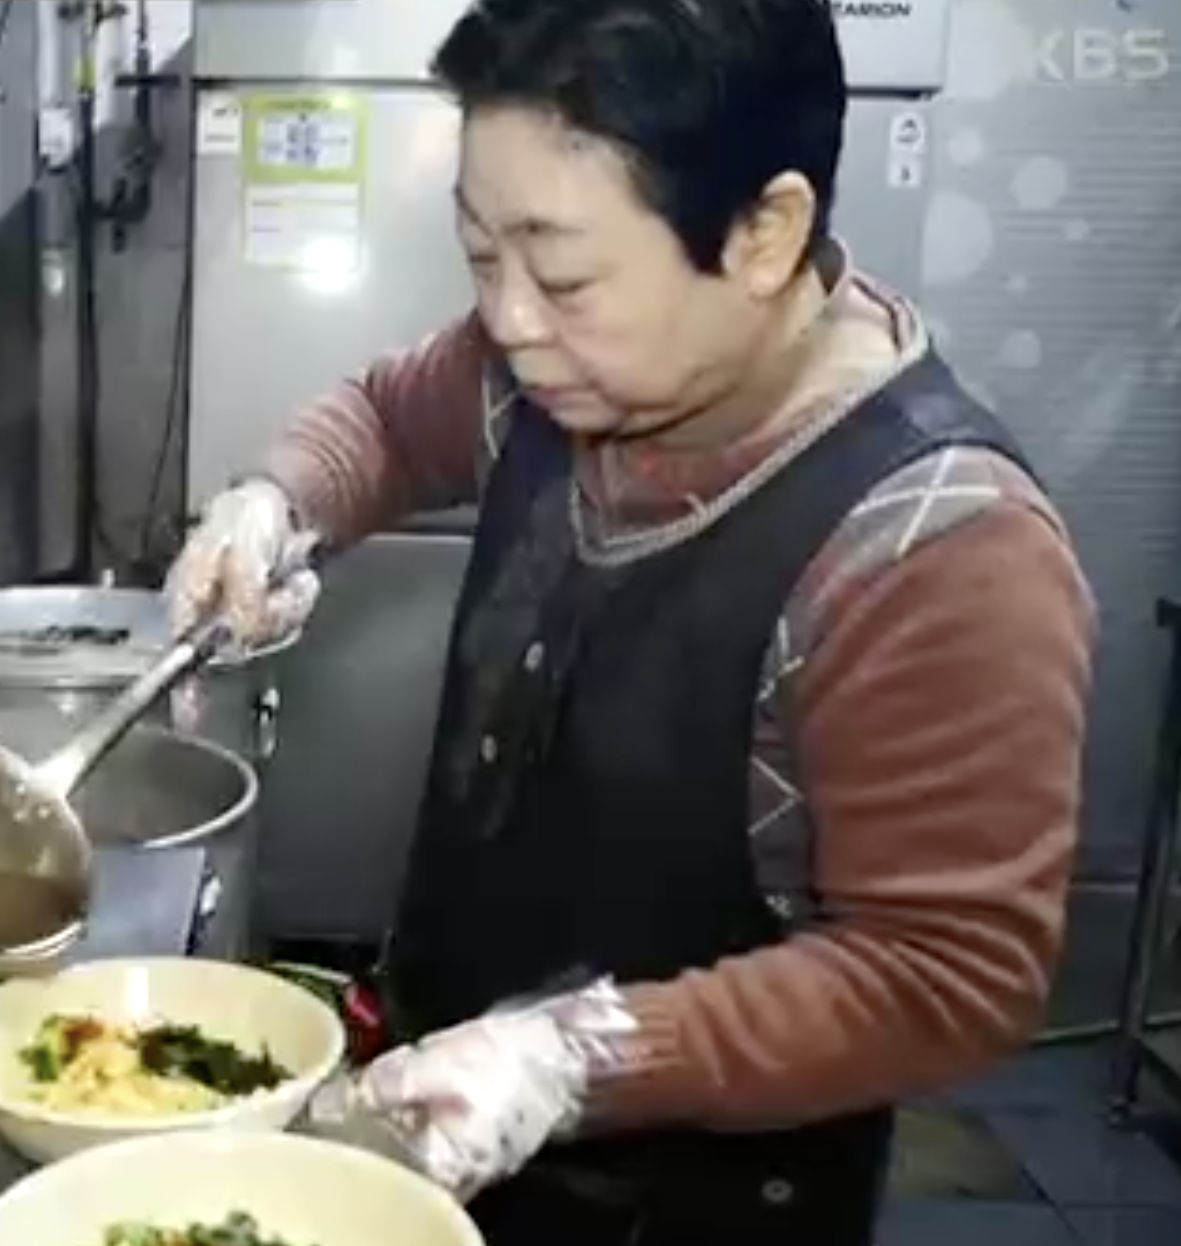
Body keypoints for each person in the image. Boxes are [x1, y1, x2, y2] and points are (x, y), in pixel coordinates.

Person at [165, 1, 1096, 1243]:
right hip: (436, 1110)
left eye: (561, 275)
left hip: (691, 1206)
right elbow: (385, 419)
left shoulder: (934, 547)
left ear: (764, 233)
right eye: (478, 256)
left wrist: (571, 1057)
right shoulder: (545, 375)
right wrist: (276, 504)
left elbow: (946, 976)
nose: (509, 321)